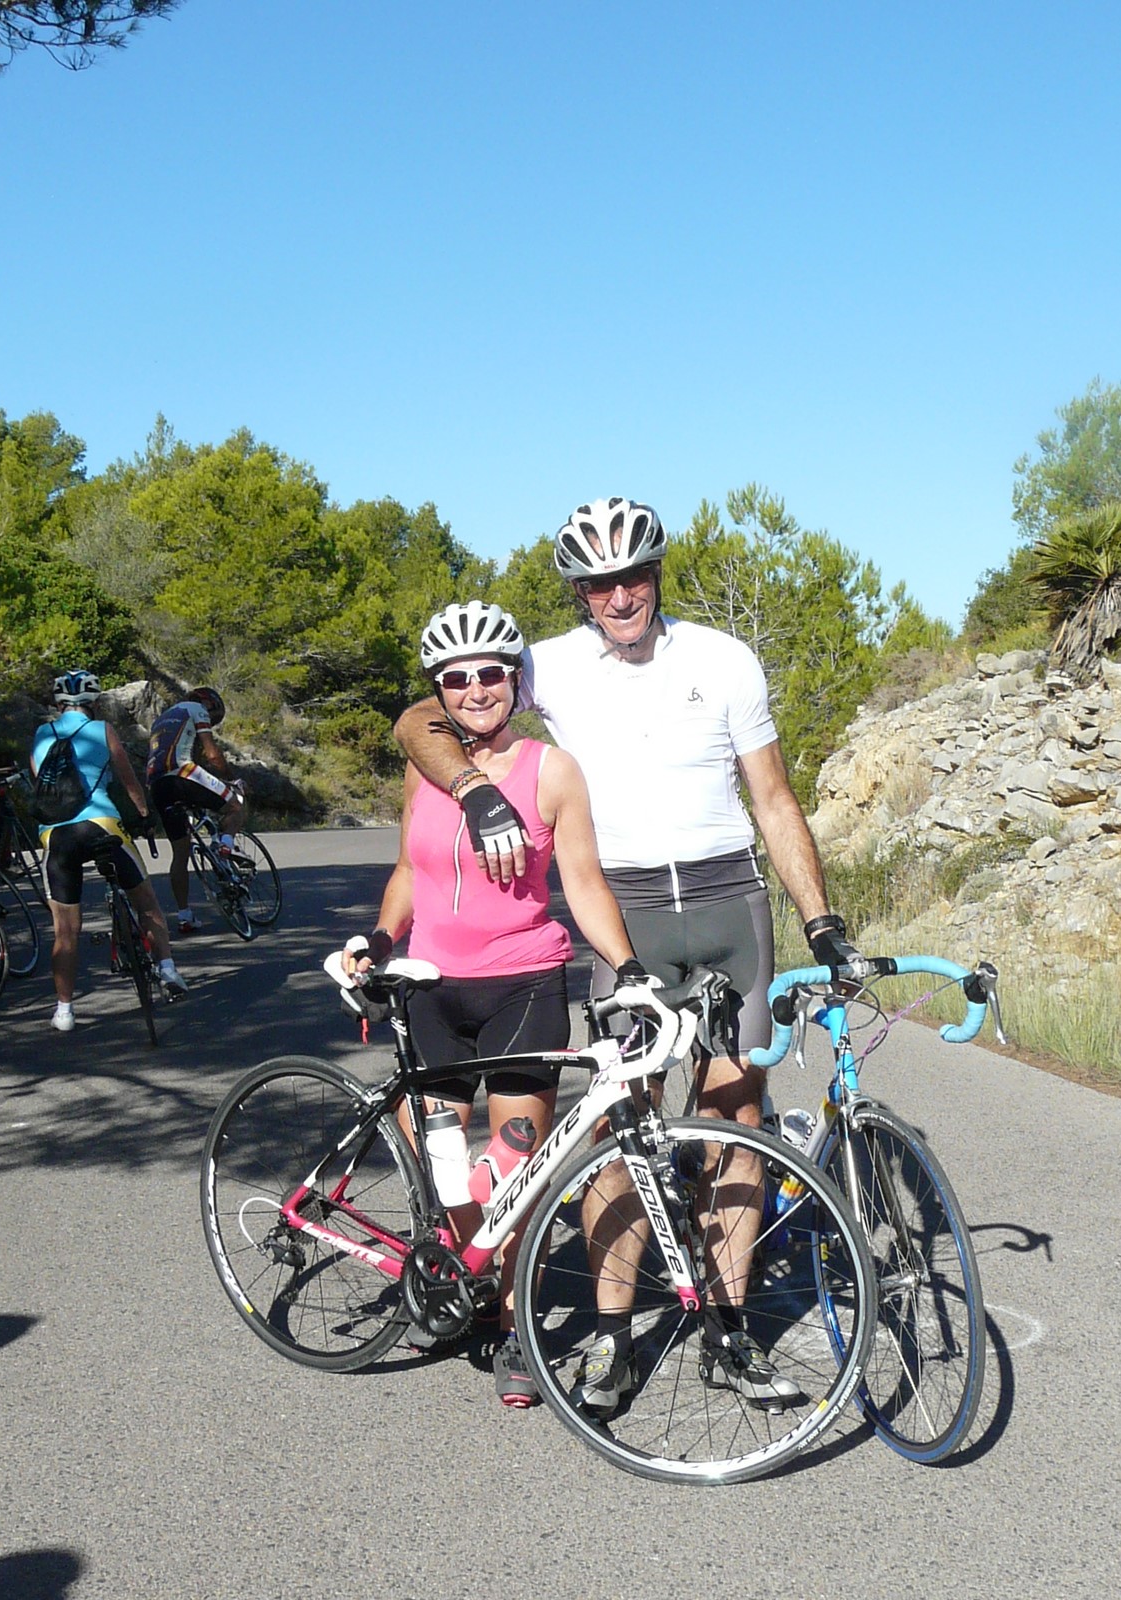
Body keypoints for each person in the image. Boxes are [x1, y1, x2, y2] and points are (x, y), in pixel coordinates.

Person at [394, 497, 862, 1415]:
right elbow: (423, 714)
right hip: (630, 909)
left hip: (727, 902)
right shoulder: (548, 665)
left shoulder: (724, 659)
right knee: (620, 1122)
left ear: (656, 575)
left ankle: (729, 1329)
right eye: (599, 583)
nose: (619, 597)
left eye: (634, 577)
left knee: (737, 1113)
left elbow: (772, 797)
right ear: (578, 592)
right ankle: (611, 1338)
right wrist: (475, 792)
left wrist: (820, 919)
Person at [346, 600, 640, 1409]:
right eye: (456, 678)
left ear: (515, 679)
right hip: (430, 989)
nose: (475, 689)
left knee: (514, 1175)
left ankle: (516, 1328)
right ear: (438, 688)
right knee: (442, 1169)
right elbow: (409, 868)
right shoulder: (428, 764)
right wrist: (381, 937)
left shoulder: (551, 770)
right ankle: (460, 1282)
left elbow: (584, 882)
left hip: (522, 986)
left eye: (491, 673)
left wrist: (627, 967)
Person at [32, 669, 188, 1032]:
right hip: (102, 824)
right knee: (146, 901)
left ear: (58, 703)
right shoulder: (103, 729)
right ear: (94, 702)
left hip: (56, 835)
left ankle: (64, 1010)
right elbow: (129, 780)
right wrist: (144, 815)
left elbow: (42, 784)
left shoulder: (41, 734)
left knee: (65, 930)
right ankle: (167, 969)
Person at [145, 687, 245, 935]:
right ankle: (226, 845)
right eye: (214, 717)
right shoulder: (196, 709)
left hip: (157, 785)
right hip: (183, 772)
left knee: (180, 853)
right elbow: (212, 755)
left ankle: (184, 916)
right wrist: (232, 779)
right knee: (236, 806)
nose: (212, 720)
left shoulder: (160, 720)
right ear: (209, 704)